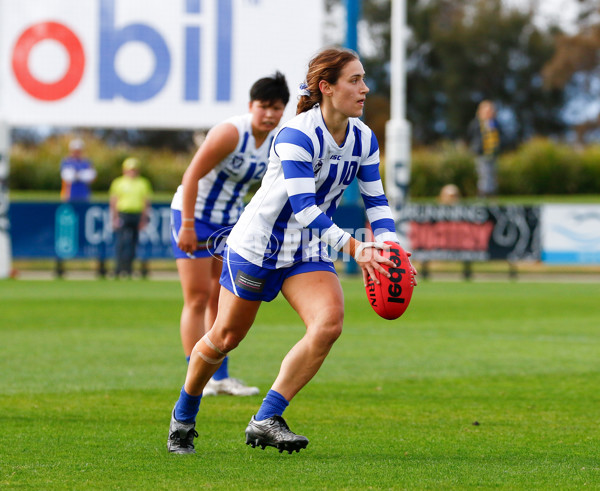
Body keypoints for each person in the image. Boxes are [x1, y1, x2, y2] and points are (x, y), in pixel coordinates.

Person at [167, 47, 417, 455]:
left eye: (363, 79)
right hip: (257, 247)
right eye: (355, 80)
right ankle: (183, 417)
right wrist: (356, 248)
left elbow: (377, 203)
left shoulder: (364, 137)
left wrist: (391, 252)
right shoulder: (296, 134)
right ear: (326, 88)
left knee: (329, 323)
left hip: (307, 249)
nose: (365, 89)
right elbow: (304, 209)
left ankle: (266, 417)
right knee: (225, 337)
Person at [170, 72, 289, 397]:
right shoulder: (230, 132)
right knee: (195, 298)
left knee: (219, 297)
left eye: (277, 108)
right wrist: (188, 225)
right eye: (264, 106)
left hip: (230, 223)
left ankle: (219, 377)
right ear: (251, 105)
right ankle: (195, 375)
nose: (270, 114)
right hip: (194, 214)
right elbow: (191, 175)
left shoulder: (278, 140)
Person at [109, 157, 153, 278]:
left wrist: (144, 219)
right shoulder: (119, 182)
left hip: (136, 214)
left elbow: (146, 202)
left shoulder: (143, 183)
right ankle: (118, 269)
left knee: (133, 243)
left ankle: (128, 269)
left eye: (134, 170)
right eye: (130, 169)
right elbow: (114, 201)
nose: (132, 172)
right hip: (123, 214)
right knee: (121, 242)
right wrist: (114, 217)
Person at [467, 100, 501, 198]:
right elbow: (470, 136)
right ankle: (482, 196)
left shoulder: (494, 124)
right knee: (483, 176)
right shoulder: (476, 124)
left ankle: (492, 196)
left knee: (492, 176)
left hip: (492, 154)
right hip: (481, 154)